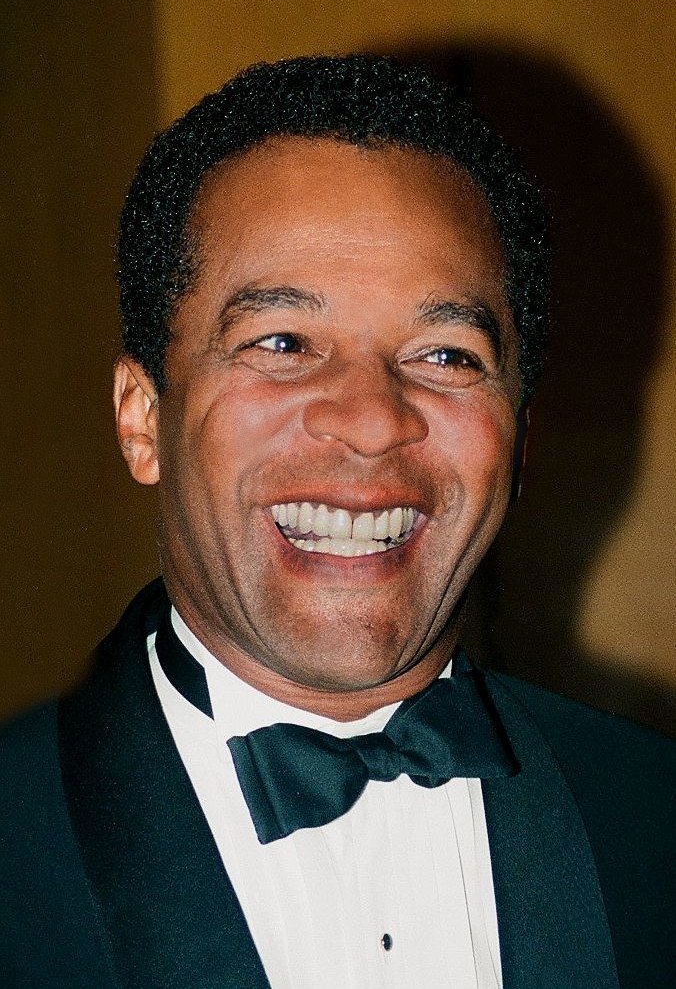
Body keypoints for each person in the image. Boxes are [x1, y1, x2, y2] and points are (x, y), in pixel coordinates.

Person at [1, 54, 673, 989]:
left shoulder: (650, 817)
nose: (371, 421)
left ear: (520, 443)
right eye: (282, 343)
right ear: (142, 417)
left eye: (446, 355)